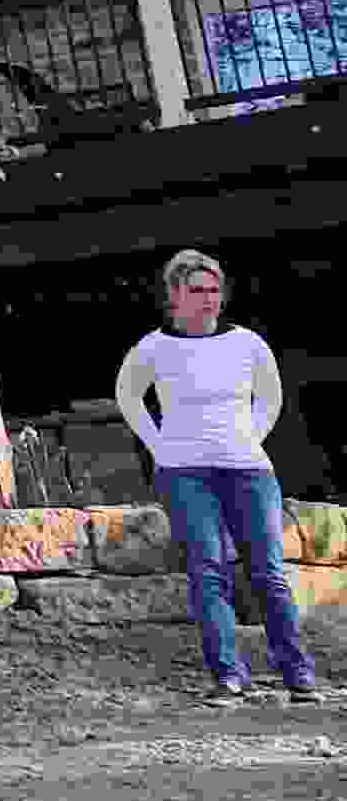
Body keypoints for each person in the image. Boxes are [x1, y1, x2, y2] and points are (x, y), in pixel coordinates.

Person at [115, 249, 324, 707]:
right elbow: (128, 397)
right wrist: (159, 445)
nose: (208, 299)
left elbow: (270, 397)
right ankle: (228, 676)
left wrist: (249, 437)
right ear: (174, 296)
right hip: (184, 472)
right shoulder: (153, 347)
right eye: (197, 291)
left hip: (249, 469)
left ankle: (298, 673)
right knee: (208, 568)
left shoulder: (247, 343)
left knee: (268, 571)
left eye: (214, 290)